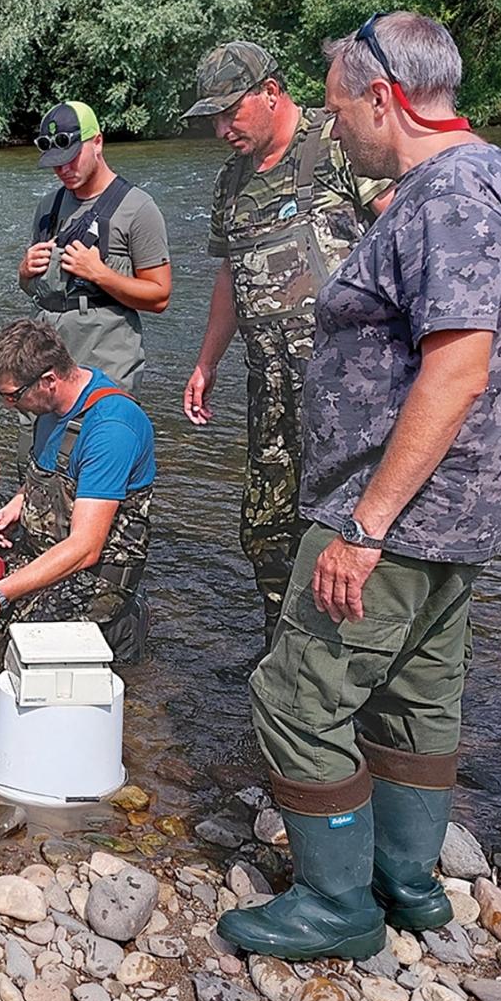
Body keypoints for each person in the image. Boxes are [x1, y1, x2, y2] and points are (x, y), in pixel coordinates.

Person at [217, 13, 501, 962]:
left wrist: (364, 527)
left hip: (395, 514)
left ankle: (336, 903)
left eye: (338, 110)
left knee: (295, 697)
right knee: (414, 695)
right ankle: (407, 881)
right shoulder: (492, 177)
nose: (335, 129)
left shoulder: (450, 195)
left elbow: (458, 370)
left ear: (383, 98)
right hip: (459, 513)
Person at [181, 42, 392, 646]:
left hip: (349, 393)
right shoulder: (231, 182)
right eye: (213, 119)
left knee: (347, 527)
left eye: (232, 113)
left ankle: (356, 657)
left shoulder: (340, 142)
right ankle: (284, 649)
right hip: (269, 388)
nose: (223, 130)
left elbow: (405, 229)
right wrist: (206, 362)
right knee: (267, 529)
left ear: (271, 93)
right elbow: (230, 274)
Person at [0, 319, 156, 663]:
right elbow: (55, 470)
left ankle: (123, 624)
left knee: (13, 652)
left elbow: (85, 548)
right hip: (46, 549)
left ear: (49, 380)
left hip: (97, 569)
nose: (8, 405)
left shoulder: (111, 429)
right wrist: (18, 501)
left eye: (12, 396)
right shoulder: (51, 406)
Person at [18, 101, 171, 392]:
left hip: (106, 368)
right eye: (55, 162)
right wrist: (25, 272)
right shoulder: (47, 206)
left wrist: (99, 274)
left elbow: (159, 297)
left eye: (72, 157)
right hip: (46, 365)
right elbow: (35, 289)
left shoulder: (139, 209)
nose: (63, 169)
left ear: (97, 142)